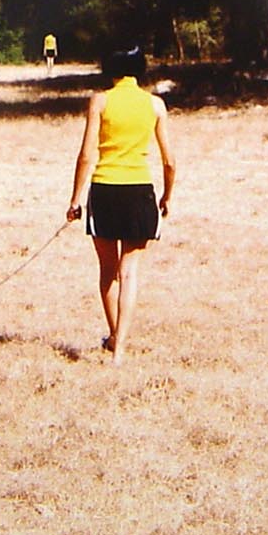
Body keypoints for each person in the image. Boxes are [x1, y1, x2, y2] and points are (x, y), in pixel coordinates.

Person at [66, 47, 176, 365]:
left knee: (108, 272)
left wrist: (74, 199)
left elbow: (86, 155)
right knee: (130, 273)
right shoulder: (155, 104)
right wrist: (167, 196)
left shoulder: (100, 101)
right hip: (139, 191)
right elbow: (170, 162)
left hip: (105, 189)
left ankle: (114, 334)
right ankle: (120, 348)